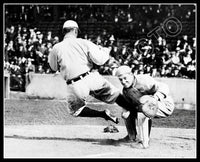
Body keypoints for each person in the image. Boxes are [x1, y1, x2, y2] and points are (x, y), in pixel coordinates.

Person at [48, 20, 133, 126]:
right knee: (115, 95)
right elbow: (100, 60)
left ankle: (103, 114)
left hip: (74, 85)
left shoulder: (56, 48)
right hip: (90, 78)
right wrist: (105, 52)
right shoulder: (84, 42)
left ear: (63, 32)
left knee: (76, 110)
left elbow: (53, 67)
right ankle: (134, 110)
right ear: (75, 30)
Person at [115, 65, 175, 148]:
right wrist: (125, 111)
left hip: (165, 104)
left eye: (125, 78)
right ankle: (131, 137)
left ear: (131, 74)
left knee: (142, 108)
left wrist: (155, 98)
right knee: (129, 111)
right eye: (120, 79)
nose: (123, 81)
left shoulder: (144, 80)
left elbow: (164, 87)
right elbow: (129, 106)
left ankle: (143, 142)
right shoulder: (126, 90)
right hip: (147, 106)